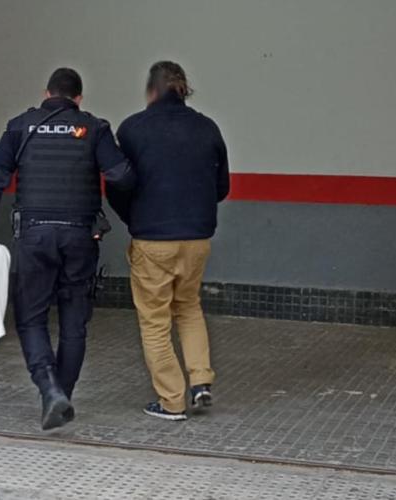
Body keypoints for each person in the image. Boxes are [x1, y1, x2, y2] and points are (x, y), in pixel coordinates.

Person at [0, 68, 135, 430]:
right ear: (79, 98)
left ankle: (50, 389)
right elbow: (121, 176)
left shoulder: (20, 126)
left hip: (34, 236)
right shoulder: (94, 128)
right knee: (74, 320)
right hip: (80, 236)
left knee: (31, 317)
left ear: (47, 93)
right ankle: (63, 394)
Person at [107, 61, 230, 421]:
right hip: (197, 238)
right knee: (189, 307)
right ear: (183, 89)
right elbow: (222, 187)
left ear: (151, 91)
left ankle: (171, 401)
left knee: (155, 321)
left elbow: (117, 184)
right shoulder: (207, 128)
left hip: (152, 239)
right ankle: (201, 381)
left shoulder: (132, 129)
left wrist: (135, 219)